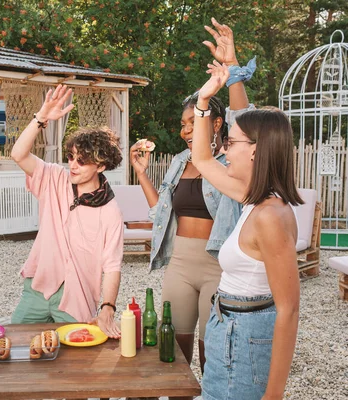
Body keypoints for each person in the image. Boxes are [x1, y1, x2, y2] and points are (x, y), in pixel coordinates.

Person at [129, 19, 250, 371]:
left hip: (218, 266)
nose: (185, 130)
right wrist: (141, 174)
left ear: (214, 123)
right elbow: (161, 213)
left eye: (191, 122)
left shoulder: (233, 161)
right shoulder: (180, 162)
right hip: (179, 265)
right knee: (172, 354)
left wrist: (230, 65)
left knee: (211, 354)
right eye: (182, 124)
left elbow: (243, 116)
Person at [192, 61, 302, 399]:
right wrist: (203, 103)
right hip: (226, 325)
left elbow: (289, 310)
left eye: (232, 142)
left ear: (255, 150)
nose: (225, 149)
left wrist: (274, 394)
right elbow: (203, 160)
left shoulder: (270, 215)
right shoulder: (254, 199)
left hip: (244, 336)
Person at [10, 84, 123, 338]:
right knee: (14, 343)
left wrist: (108, 308)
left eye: (82, 161)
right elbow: (18, 154)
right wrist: (41, 118)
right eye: (71, 156)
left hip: (77, 297)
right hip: (37, 288)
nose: (73, 165)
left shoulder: (110, 210)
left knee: (78, 365)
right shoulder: (54, 178)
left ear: (101, 166)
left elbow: (112, 265)